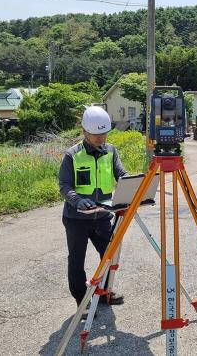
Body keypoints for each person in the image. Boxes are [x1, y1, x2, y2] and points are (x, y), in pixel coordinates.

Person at [59, 106, 127, 311]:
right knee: (76, 260)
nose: (101, 138)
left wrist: (130, 182)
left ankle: (104, 292)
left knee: (108, 255)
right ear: (84, 131)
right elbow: (64, 185)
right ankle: (82, 300)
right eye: (96, 134)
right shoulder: (72, 155)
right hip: (76, 218)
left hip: (103, 215)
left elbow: (121, 173)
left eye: (104, 133)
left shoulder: (111, 151)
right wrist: (76, 200)